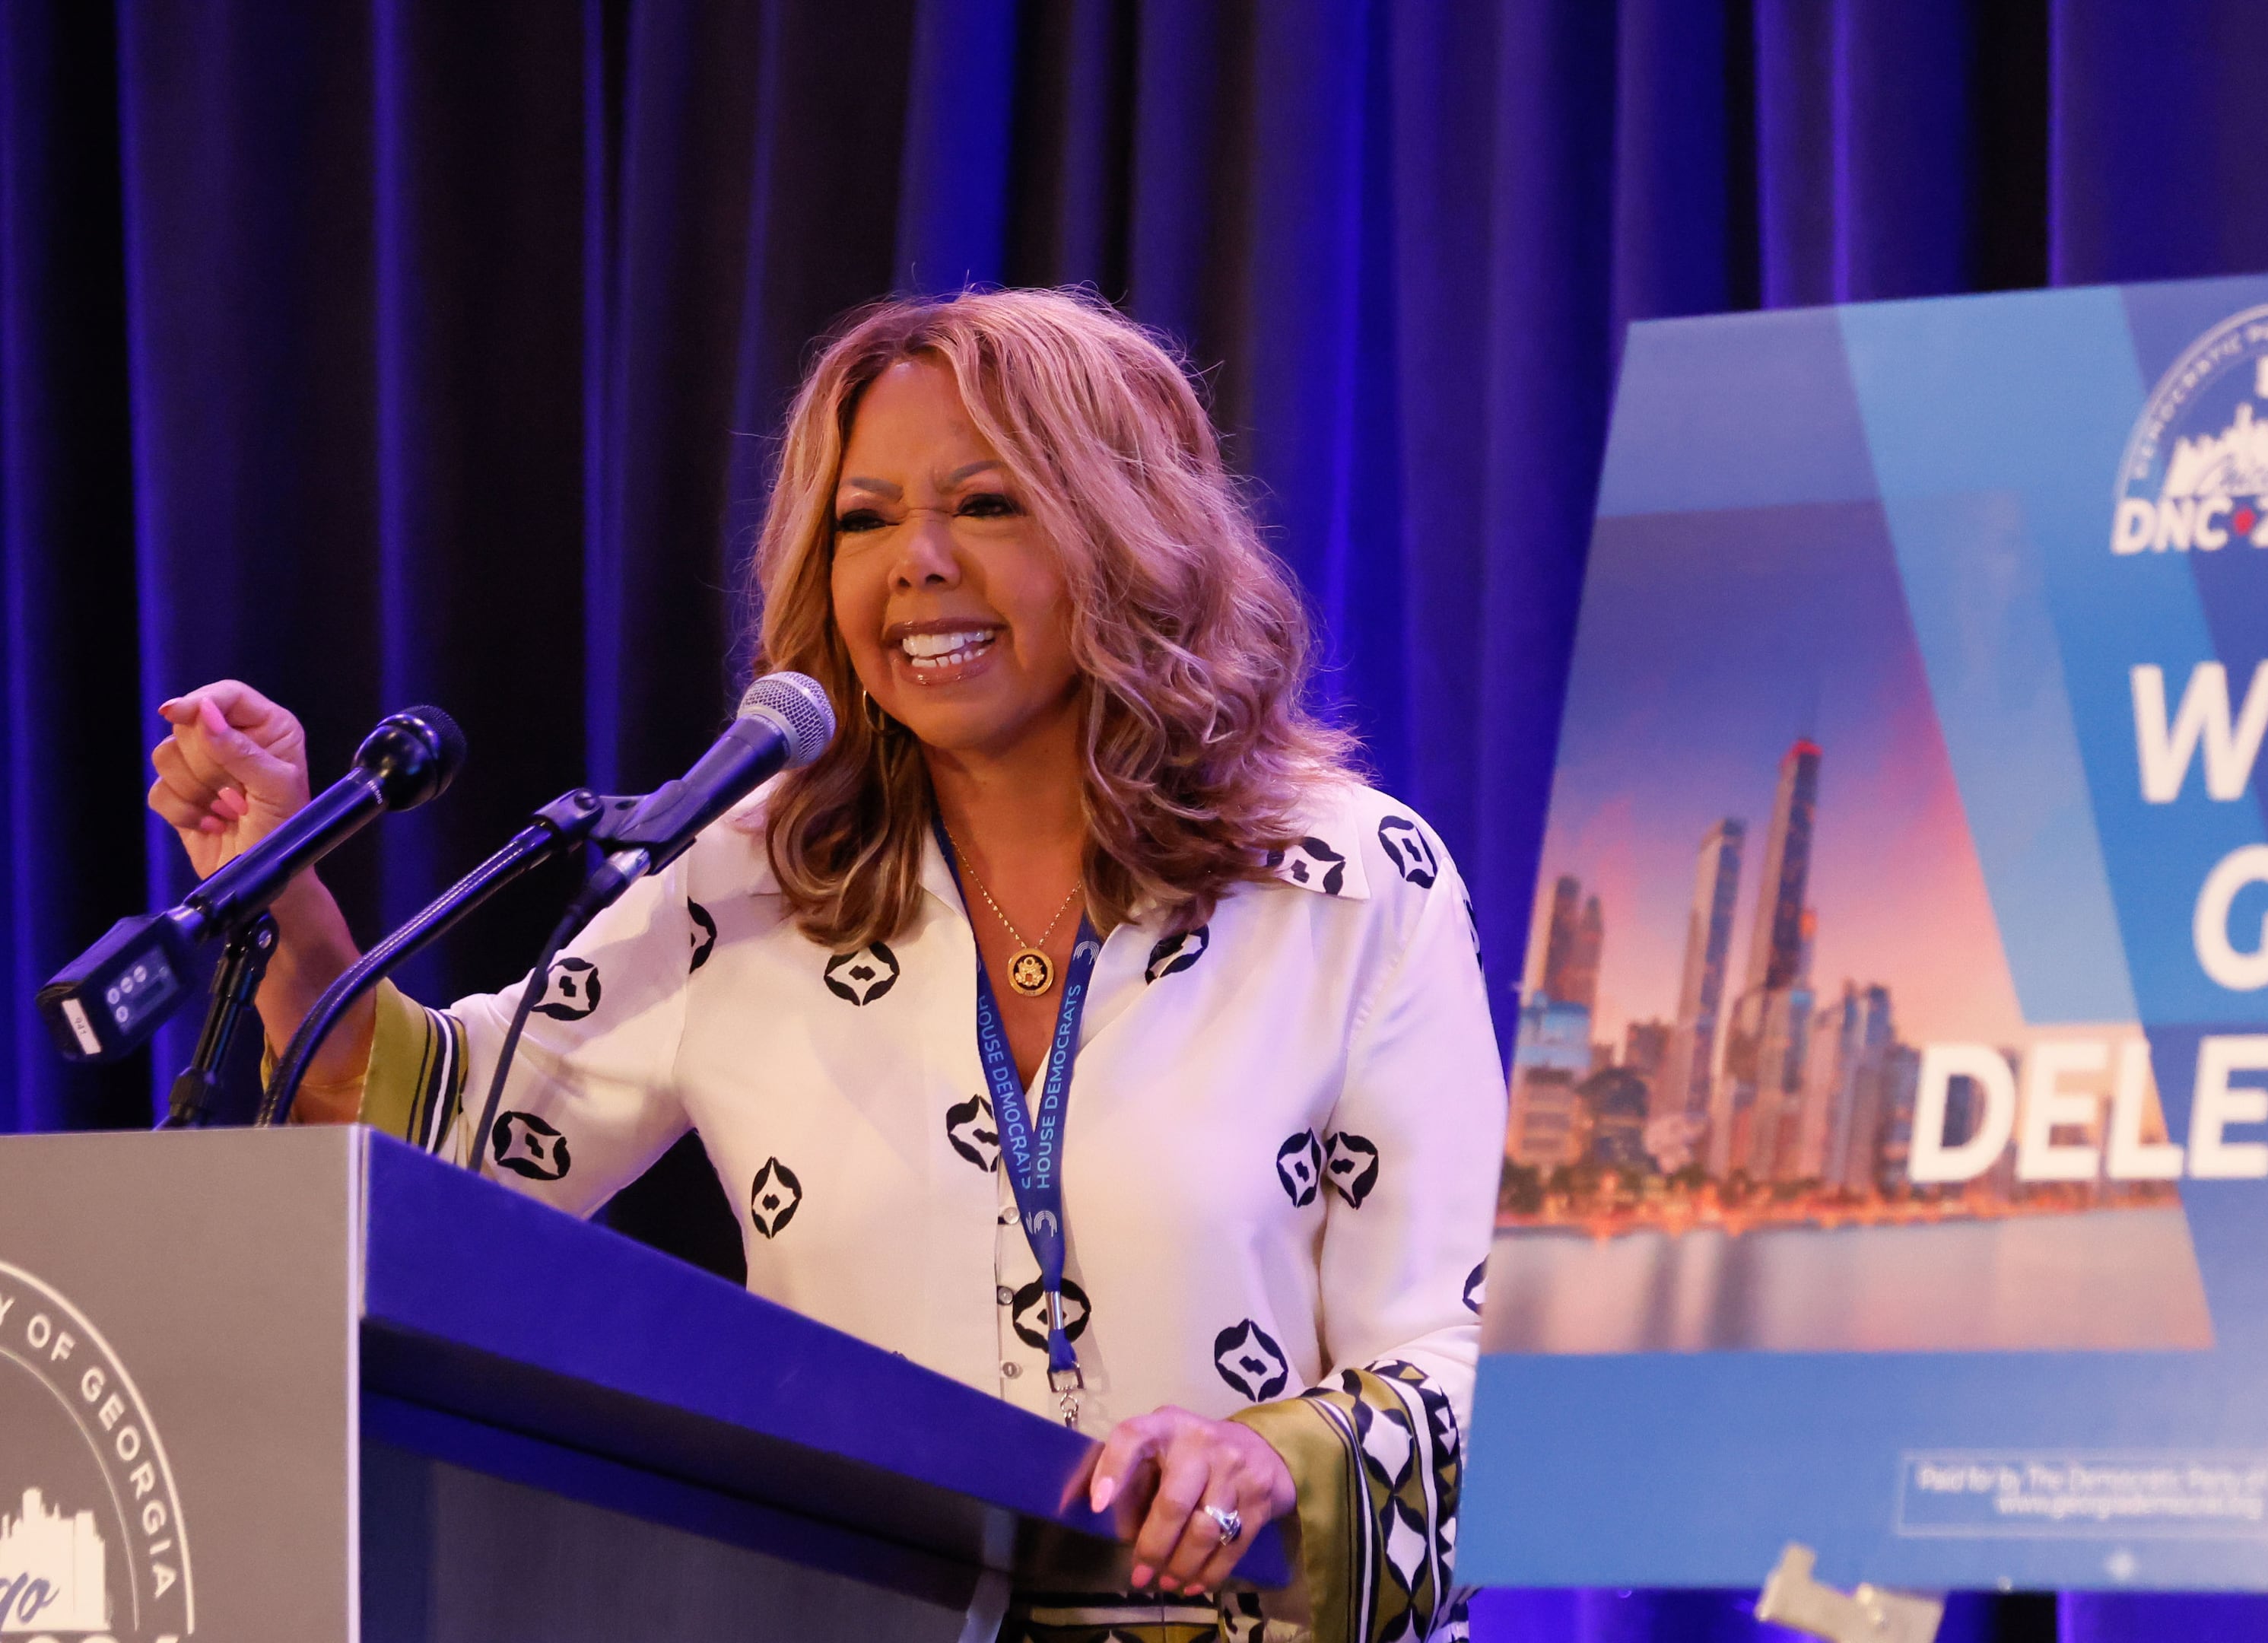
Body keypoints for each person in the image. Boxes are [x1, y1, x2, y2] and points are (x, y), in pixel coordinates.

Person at [145, 288, 1501, 1643]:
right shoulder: (748, 880)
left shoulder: (1349, 884)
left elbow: (1471, 1360)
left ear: (1130, 534)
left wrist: (1276, 1459)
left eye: (986, 504)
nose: (914, 562)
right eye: (864, 521)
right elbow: (446, 1151)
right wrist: (282, 879)